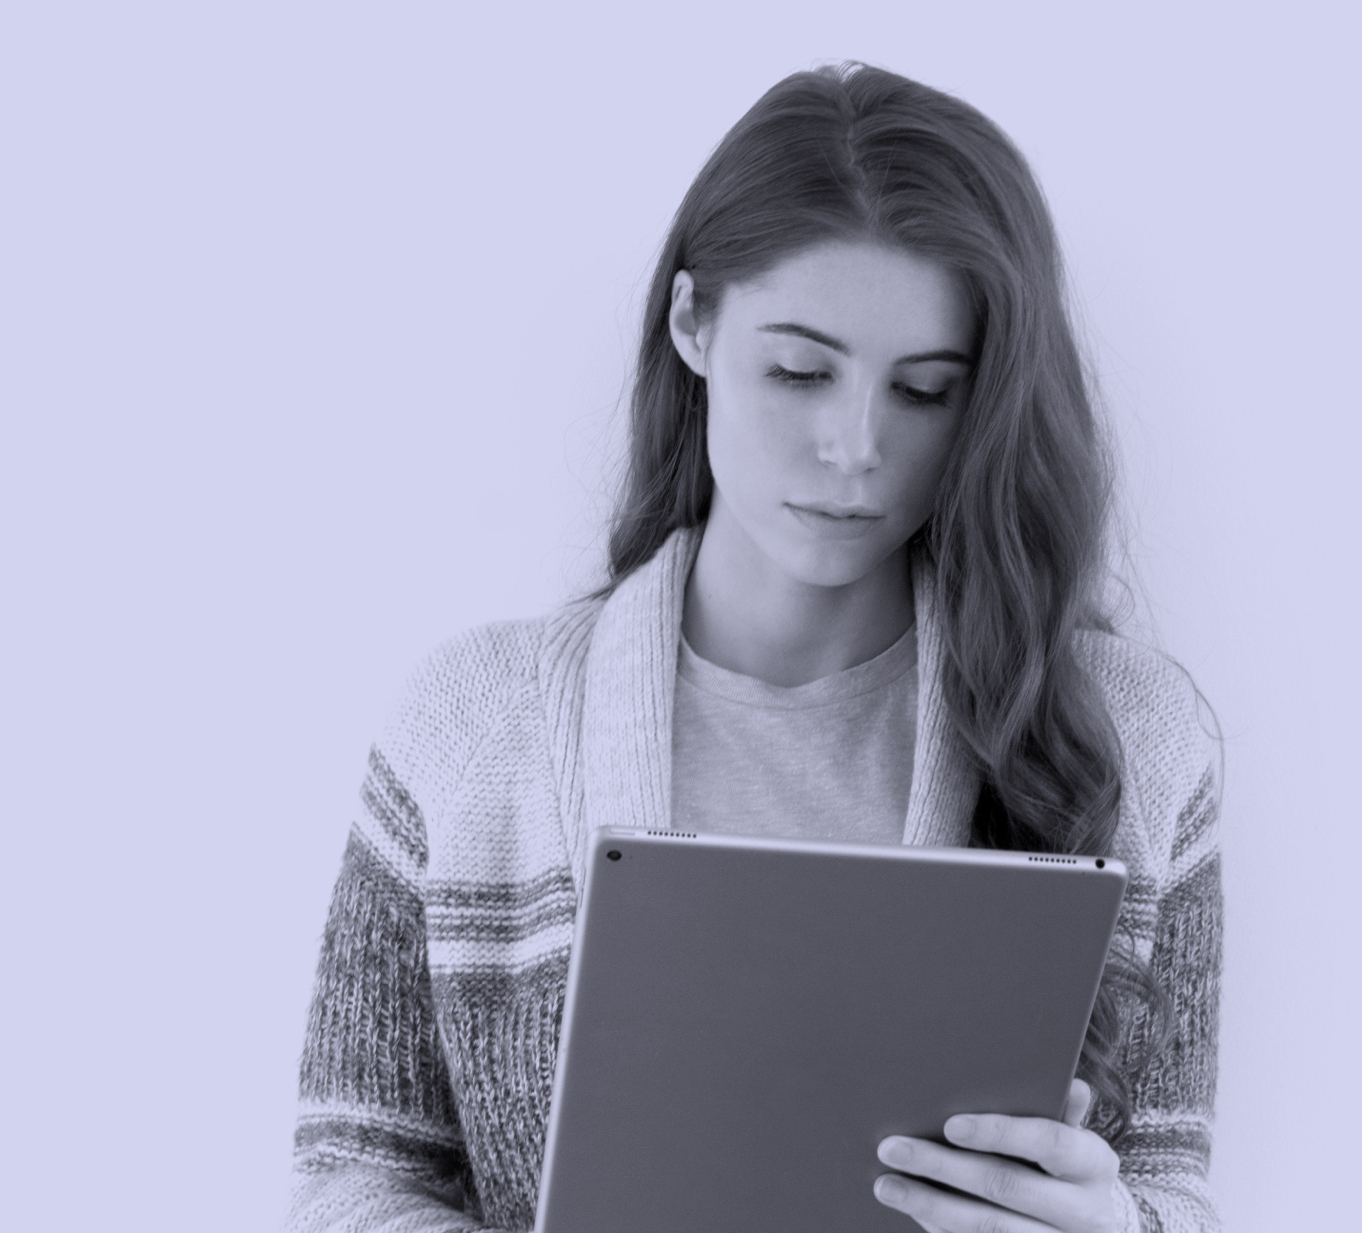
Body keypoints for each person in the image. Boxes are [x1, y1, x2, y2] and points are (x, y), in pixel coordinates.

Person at [286, 63, 1222, 1233]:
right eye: (799, 371)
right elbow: (353, 1182)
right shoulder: (475, 723)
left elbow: (1178, 1188)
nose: (854, 449)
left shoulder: (1131, 734)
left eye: (926, 392)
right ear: (692, 324)